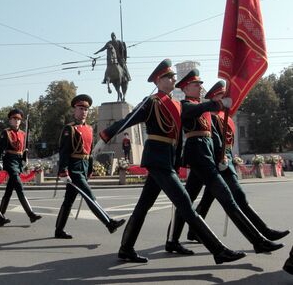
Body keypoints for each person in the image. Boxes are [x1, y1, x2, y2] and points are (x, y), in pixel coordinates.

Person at [100, 59, 245, 264]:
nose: (172, 79)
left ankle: (126, 248)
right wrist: (106, 135)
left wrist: (216, 104)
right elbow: (129, 119)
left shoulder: (176, 103)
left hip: (167, 161)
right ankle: (218, 250)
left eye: (172, 76)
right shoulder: (152, 102)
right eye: (168, 77)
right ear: (158, 81)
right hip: (157, 160)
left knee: (143, 206)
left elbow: (196, 110)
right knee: (186, 204)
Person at [165, 69, 283, 256]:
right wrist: (217, 103)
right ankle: (258, 241)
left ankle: (172, 240)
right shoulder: (185, 105)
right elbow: (196, 111)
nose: (200, 87)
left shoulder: (202, 108)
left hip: (207, 158)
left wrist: (221, 157)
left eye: (200, 84)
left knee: (186, 202)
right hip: (199, 158)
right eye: (196, 84)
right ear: (186, 87)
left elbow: (213, 138)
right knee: (228, 199)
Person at [55, 94, 125, 239]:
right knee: (90, 196)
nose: (83, 112)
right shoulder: (70, 129)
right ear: (74, 111)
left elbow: (91, 152)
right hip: (74, 168)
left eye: (86, 109)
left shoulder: (88, 129)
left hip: (84, 166)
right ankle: (109, 223)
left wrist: (90, 169)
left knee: (68, 200)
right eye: (80, 109)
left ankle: (58, 230)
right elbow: (64, 152)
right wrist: (63, 171)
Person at [0, 108, 42, 223]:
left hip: (18, 163)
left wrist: (25, 158)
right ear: (10, 120)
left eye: (18, 119)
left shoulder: (23, 134)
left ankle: (0, 215)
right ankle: (31, 214)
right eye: (14, 119)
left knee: (9, 190)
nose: (16, 121)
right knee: (19, 187)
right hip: (10, 162)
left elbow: (23, 149)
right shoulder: (6, 133)